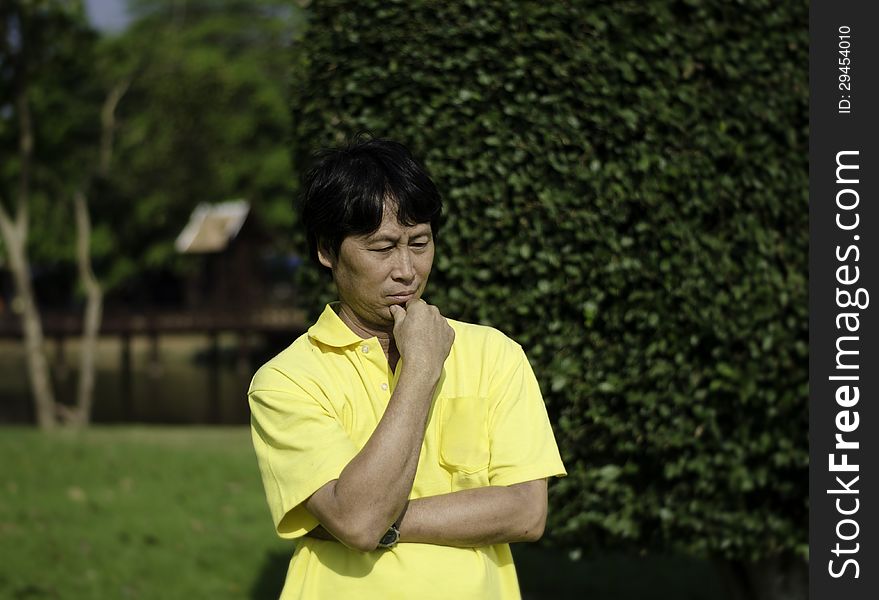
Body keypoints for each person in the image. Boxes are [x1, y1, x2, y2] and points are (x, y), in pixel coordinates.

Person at [248, 137, 566, 599]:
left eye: (420, 243)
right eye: (381, 249)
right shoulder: (287, 380)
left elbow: (525, 512)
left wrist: (381, 519)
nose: (407, 270)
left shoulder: (495, 354)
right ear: (326, 250)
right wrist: (420, 369)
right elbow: (358, 522)